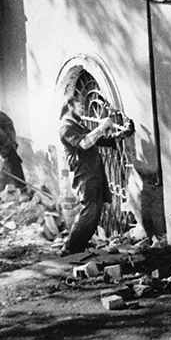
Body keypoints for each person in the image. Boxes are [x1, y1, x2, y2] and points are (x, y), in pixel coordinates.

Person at [58, 95, 135, 256]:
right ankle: (70, 248)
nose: (82, 110)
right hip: (84, 174)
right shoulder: (66, 127)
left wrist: (122, 134)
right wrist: (101, 127)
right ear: (70, 106)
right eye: (79, 106)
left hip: (93, 172)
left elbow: (99, 140)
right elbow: (84, 143)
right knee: (89, 210)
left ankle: (78, 247)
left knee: (94, 211)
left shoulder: (76, 125)